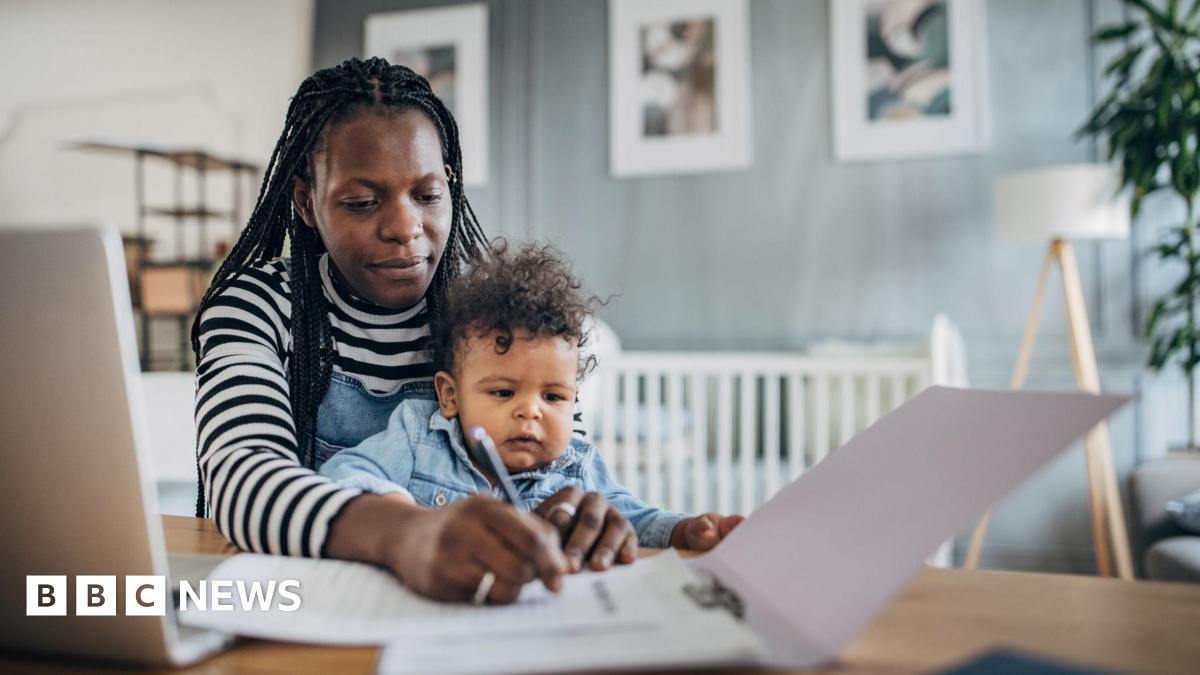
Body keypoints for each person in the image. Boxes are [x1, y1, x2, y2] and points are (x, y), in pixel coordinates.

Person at [192, 57, 635, 604]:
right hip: (310, 605)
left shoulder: (493, 313)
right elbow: (243, 481)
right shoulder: (259, 304)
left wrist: (575, 511)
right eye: (361, 202)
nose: (405, 229)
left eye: (427, 195)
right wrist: (409, 535)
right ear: (307, 202)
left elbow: (567, 458)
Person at [318, 243, 744, 554]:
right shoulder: (419, 436)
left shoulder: (576, 465)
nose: (531, 410)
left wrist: (685, 530)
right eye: (503, 392)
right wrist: (403, 516)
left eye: (554, 396)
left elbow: (635, 519)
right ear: (450, 395)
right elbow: (343, 470)